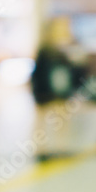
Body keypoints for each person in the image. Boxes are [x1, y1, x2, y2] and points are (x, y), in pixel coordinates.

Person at [31, 17, 79, 160]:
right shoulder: (46, 50)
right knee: (42, 121)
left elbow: (73, 72)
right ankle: (41, 149)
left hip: (61, 91)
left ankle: (61, 147)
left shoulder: (65, 49)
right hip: (46, 91)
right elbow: (38, 73)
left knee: (62, 120)